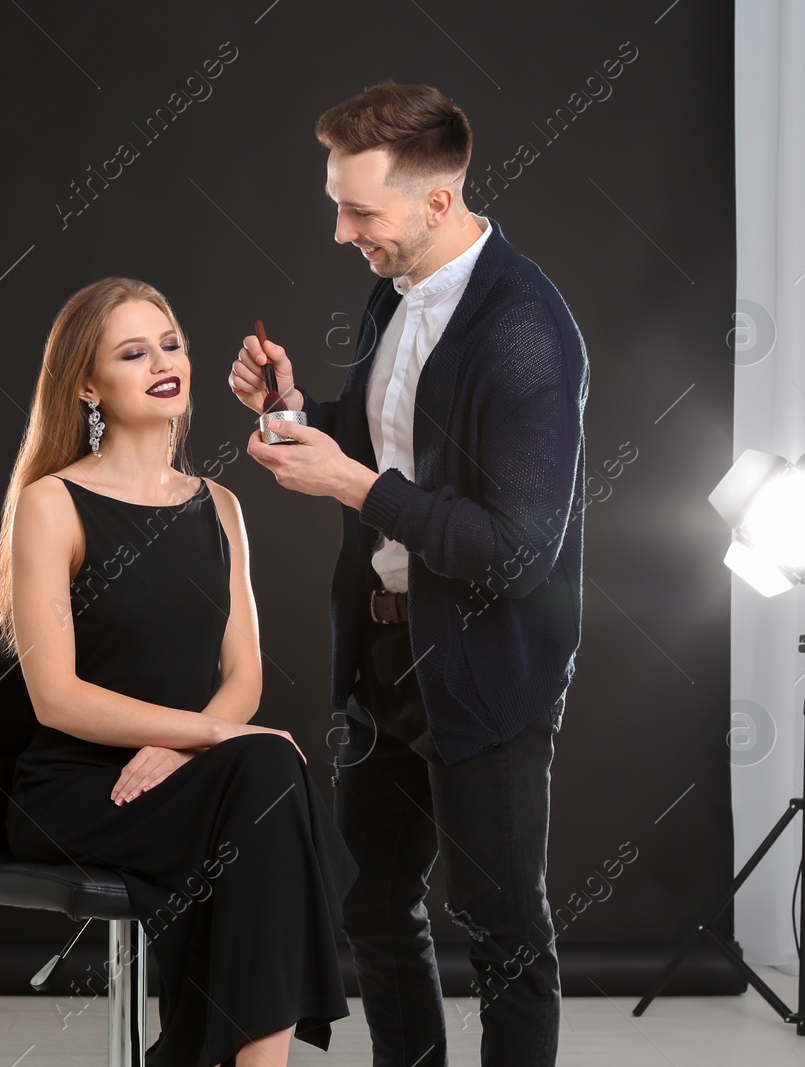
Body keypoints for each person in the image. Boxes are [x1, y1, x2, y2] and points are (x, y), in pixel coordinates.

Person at [228, 82, 589, 1066]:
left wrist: (353, 484)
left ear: (437, 201)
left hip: (485, 666)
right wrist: (295, 409)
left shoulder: (522, 330)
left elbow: (516, 551)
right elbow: (393, 439)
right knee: (372, 900)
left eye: (359, 212)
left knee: (501, 926)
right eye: (337, 206)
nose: (343, 233)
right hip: (383, 656)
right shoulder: (395, 287)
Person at [0, 277, 360, 1067]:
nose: (163, 362)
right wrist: (207, 736)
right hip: (85, 787)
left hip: (201, 779)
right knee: (266, 769)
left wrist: (193, 748)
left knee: (261, 773)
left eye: (171, 344)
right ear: (88, 384)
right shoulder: (52, 503)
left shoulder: (221, 505)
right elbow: (56, 699)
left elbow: (243, 674)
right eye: (133, 352)